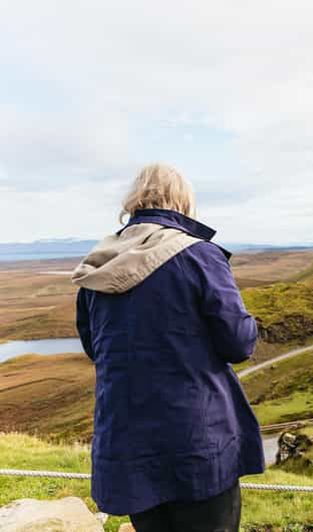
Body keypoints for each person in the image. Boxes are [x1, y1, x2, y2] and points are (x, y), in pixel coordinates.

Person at [72, 164, 264, 531]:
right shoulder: (199, 255)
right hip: (197, 439)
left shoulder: (100, 262)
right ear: (183, 202)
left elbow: (95, 347)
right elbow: (238, 343)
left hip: (127, 441)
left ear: (133, 202)